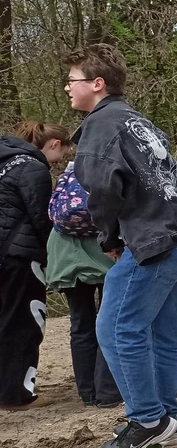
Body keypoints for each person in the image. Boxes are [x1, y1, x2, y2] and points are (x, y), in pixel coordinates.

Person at [65, 43, 177, 448]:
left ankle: (147, 419)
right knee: (161, 332)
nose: (66, 88)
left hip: (158, 234)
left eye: (73, 80)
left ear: (97, 84)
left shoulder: (100, 126)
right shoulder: (135, 120)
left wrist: (109, 240)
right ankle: (165, 416)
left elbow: (102, 191)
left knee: (115, 328)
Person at [46, 158, 124, 409]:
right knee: (109, 320)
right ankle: (108, 392)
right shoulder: (110, 170)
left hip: (65, 254)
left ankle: (88, 393)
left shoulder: (68, 174)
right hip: (103, 252)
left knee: (80, 323)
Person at [0, 122, 65, 410]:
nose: (63, 157)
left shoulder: (5, 163)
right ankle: (17, 395)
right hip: (20, 257)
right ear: (53, 144)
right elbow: (42, 218)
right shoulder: (34, 169)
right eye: (64, 149)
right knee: (25, 323)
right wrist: (53, 255)